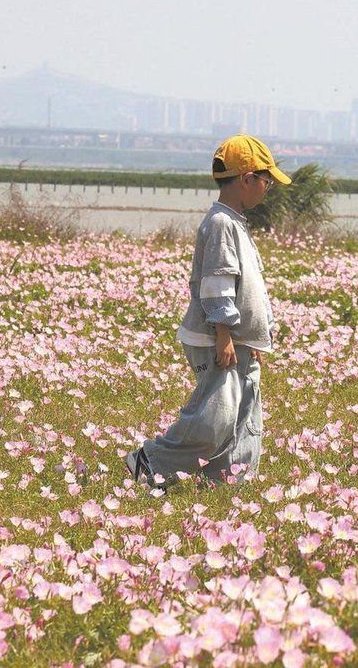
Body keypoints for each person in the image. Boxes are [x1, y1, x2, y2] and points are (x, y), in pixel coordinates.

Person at [124, 134, 290, 489]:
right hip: (218, 338)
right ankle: (150, 461)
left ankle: (228, 479)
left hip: (239, 339)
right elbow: (216, 283)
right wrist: (224, 333)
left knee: (243, 413)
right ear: (246, 178)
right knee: (216, 417)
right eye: (267, 180)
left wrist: (259, 333)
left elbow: (252, 285)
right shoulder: (220, 224)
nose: (269, 188)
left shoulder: (235, 221)